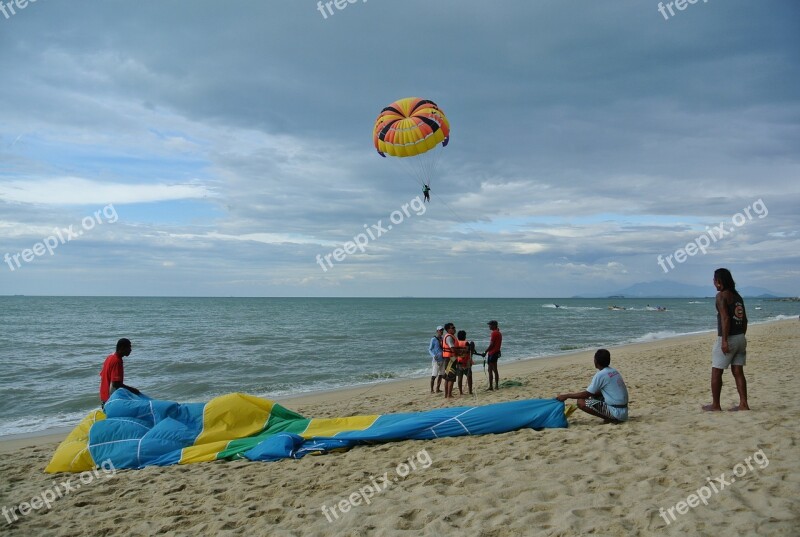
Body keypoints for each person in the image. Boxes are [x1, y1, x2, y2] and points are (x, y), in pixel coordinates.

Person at [703, 268, 749, 411]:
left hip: (729, 338)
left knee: (716, 371)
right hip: (741, 337)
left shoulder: (721, 296)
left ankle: (716, 405)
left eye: (714, 279)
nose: (713, 282)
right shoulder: (737, 297)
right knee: (738, 372)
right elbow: (745, 320)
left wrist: (724, 340)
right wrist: (741, 336)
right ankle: (743, 404)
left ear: (719, 281)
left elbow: (725, 318)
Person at [556, 349, 629, 423]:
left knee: (581, 402)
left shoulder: (601, 374)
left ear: (596, 361)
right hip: (624, 411)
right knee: (594, 394)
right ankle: (611, 416)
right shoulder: (613, 371)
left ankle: (610, 418)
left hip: (617, 412)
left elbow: (586, 394)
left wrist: (567, 396)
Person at [99, 338, 140, 408]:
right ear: (122, 348)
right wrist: (132, 390)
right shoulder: (117, 361)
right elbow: (116, 384)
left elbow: (103, 375)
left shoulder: (110, 357)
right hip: (111, 401)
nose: (130, 350)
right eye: (129, 347)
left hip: (104, 398)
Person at [484, 320, 502, 390]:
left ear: (494, 325)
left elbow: (491, 345)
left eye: (490, 325)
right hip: (494, 353)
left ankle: (495, 386)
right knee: (490, 370)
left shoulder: (494, 333)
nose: (489, 326)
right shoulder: (499, 333)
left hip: (493, 353)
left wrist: (485, 351)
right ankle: (493, 386)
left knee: (493, 370)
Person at [455, 330, 474, 395]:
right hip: (466, 363)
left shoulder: (456, 343)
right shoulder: (466, 343)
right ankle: (470, 391)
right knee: (469, 377)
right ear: (464, 336)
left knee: (460, 378)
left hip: (459, 362)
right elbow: (469, 352)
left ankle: (461, 392)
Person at [441, 323, 458, 399]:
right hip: (451, 359)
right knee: (451, 377)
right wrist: (460, 354)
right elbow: (452, 348)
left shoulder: (448, 336)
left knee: (447, 377)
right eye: (452, 328)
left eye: (454, 327)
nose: (454, 329)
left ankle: (447, 395)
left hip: (448, 358)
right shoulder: (449, 338)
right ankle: (449, 395)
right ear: (448, 329)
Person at [428, 326, 445, 393]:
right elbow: (429, 349)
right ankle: (432, 390)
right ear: (437, 331)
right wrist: (433, 355)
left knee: (441, 375)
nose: (441, 331)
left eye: (442, 330)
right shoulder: (433, 339)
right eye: (440, 330)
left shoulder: (442, 339)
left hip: (442, 359)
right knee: (434, 375)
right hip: (436, 360)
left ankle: (437, 389)